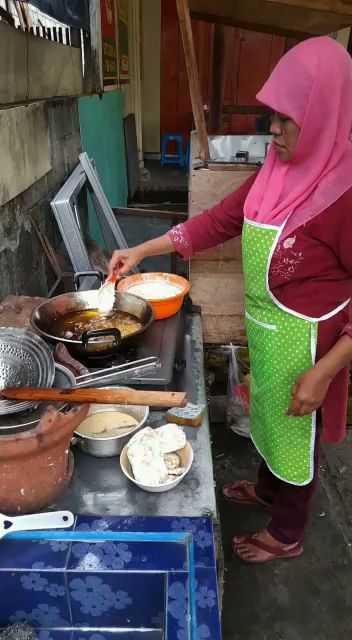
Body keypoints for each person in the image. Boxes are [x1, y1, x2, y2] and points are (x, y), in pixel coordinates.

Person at [109, 37, 352, 564]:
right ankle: (269, 491)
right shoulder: (277, 170)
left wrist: (326, 372)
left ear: (327, 113)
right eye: (272, 117)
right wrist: (140, 250)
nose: (273, 130)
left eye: (288, 120)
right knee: (268, 415)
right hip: (269, 331)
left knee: (296, 432)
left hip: (311, 343)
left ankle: (288, 532)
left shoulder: (344, 195)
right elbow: (219, 221)